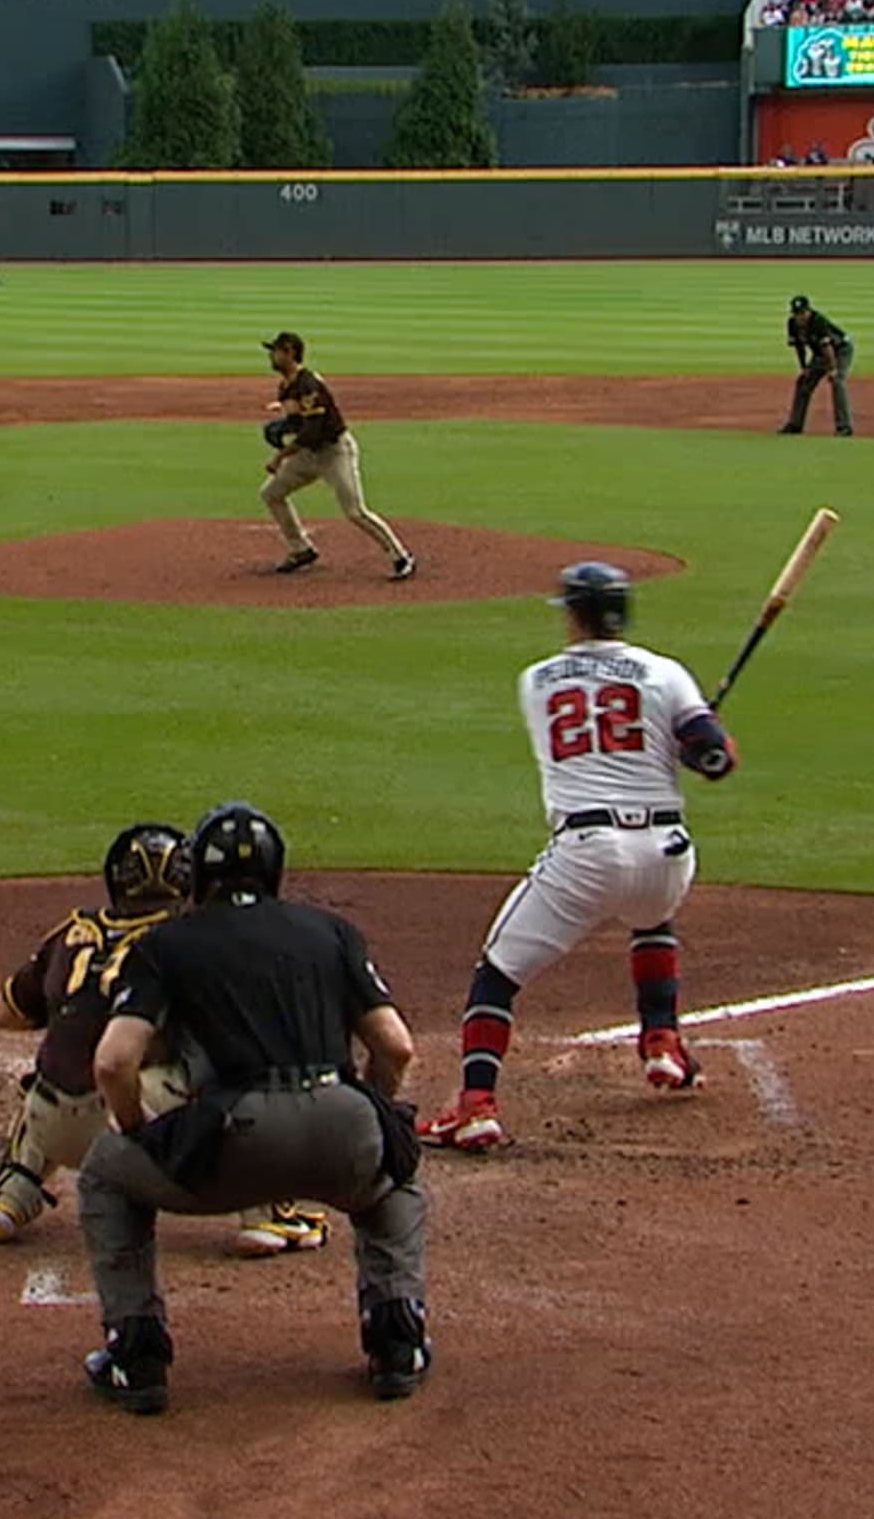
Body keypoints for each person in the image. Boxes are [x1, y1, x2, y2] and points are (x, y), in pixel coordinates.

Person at [76, 802, 431, 1414]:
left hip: (232, 1140)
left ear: (197, 879)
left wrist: (139, 1132)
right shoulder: (332, 932)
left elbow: (113, 1063)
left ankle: (137, 1354)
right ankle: (397, 1338)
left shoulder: (166, 944)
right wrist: (370, 1108)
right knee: (394, 1175)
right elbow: (395, 1047)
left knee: (107, 1173)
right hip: (340, 1126)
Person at [420, 562, 740, 1153]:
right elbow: (715, 759)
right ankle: (662, 1041)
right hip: (668, 856)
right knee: (651, 915)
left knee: (497, 974)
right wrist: (702, 745)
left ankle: (475, 1106)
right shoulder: (665, 673)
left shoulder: (537, 680)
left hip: (587, 852)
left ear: (574, 615)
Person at [0, 822, 332, 1259]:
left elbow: (4, 1014)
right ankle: (265, 1213)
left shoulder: (72, 930)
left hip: (50, 1125)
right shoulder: (192, 939)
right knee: (240, 1067)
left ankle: (8, 1196)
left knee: (53, 1067)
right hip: (139, 1123)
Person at [258, 332, 416, 582]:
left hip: (334, 454)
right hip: (308, 456)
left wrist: (280, 456)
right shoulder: (286, 387)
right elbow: (300, 422)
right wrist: (283, 425)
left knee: (354, 511)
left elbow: (313, 430)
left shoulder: (308, 384)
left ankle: (401, 556)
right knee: (271, 494)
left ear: (289, 352)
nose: (271, 356)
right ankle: (301, 549)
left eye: (275, 351)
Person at [779, 294, 854, 436]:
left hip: (840, 350)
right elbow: (799, 347)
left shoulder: (818, 321)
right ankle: (795, 424)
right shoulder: (792, 324)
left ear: (808, 311)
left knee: (837, 381)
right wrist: (804, 368)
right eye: (796, 314)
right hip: (820, 354)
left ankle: (844, 427)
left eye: (802, 313)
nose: (799, 317)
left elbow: (828, 347)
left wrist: (832, 369)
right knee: (803, 382)